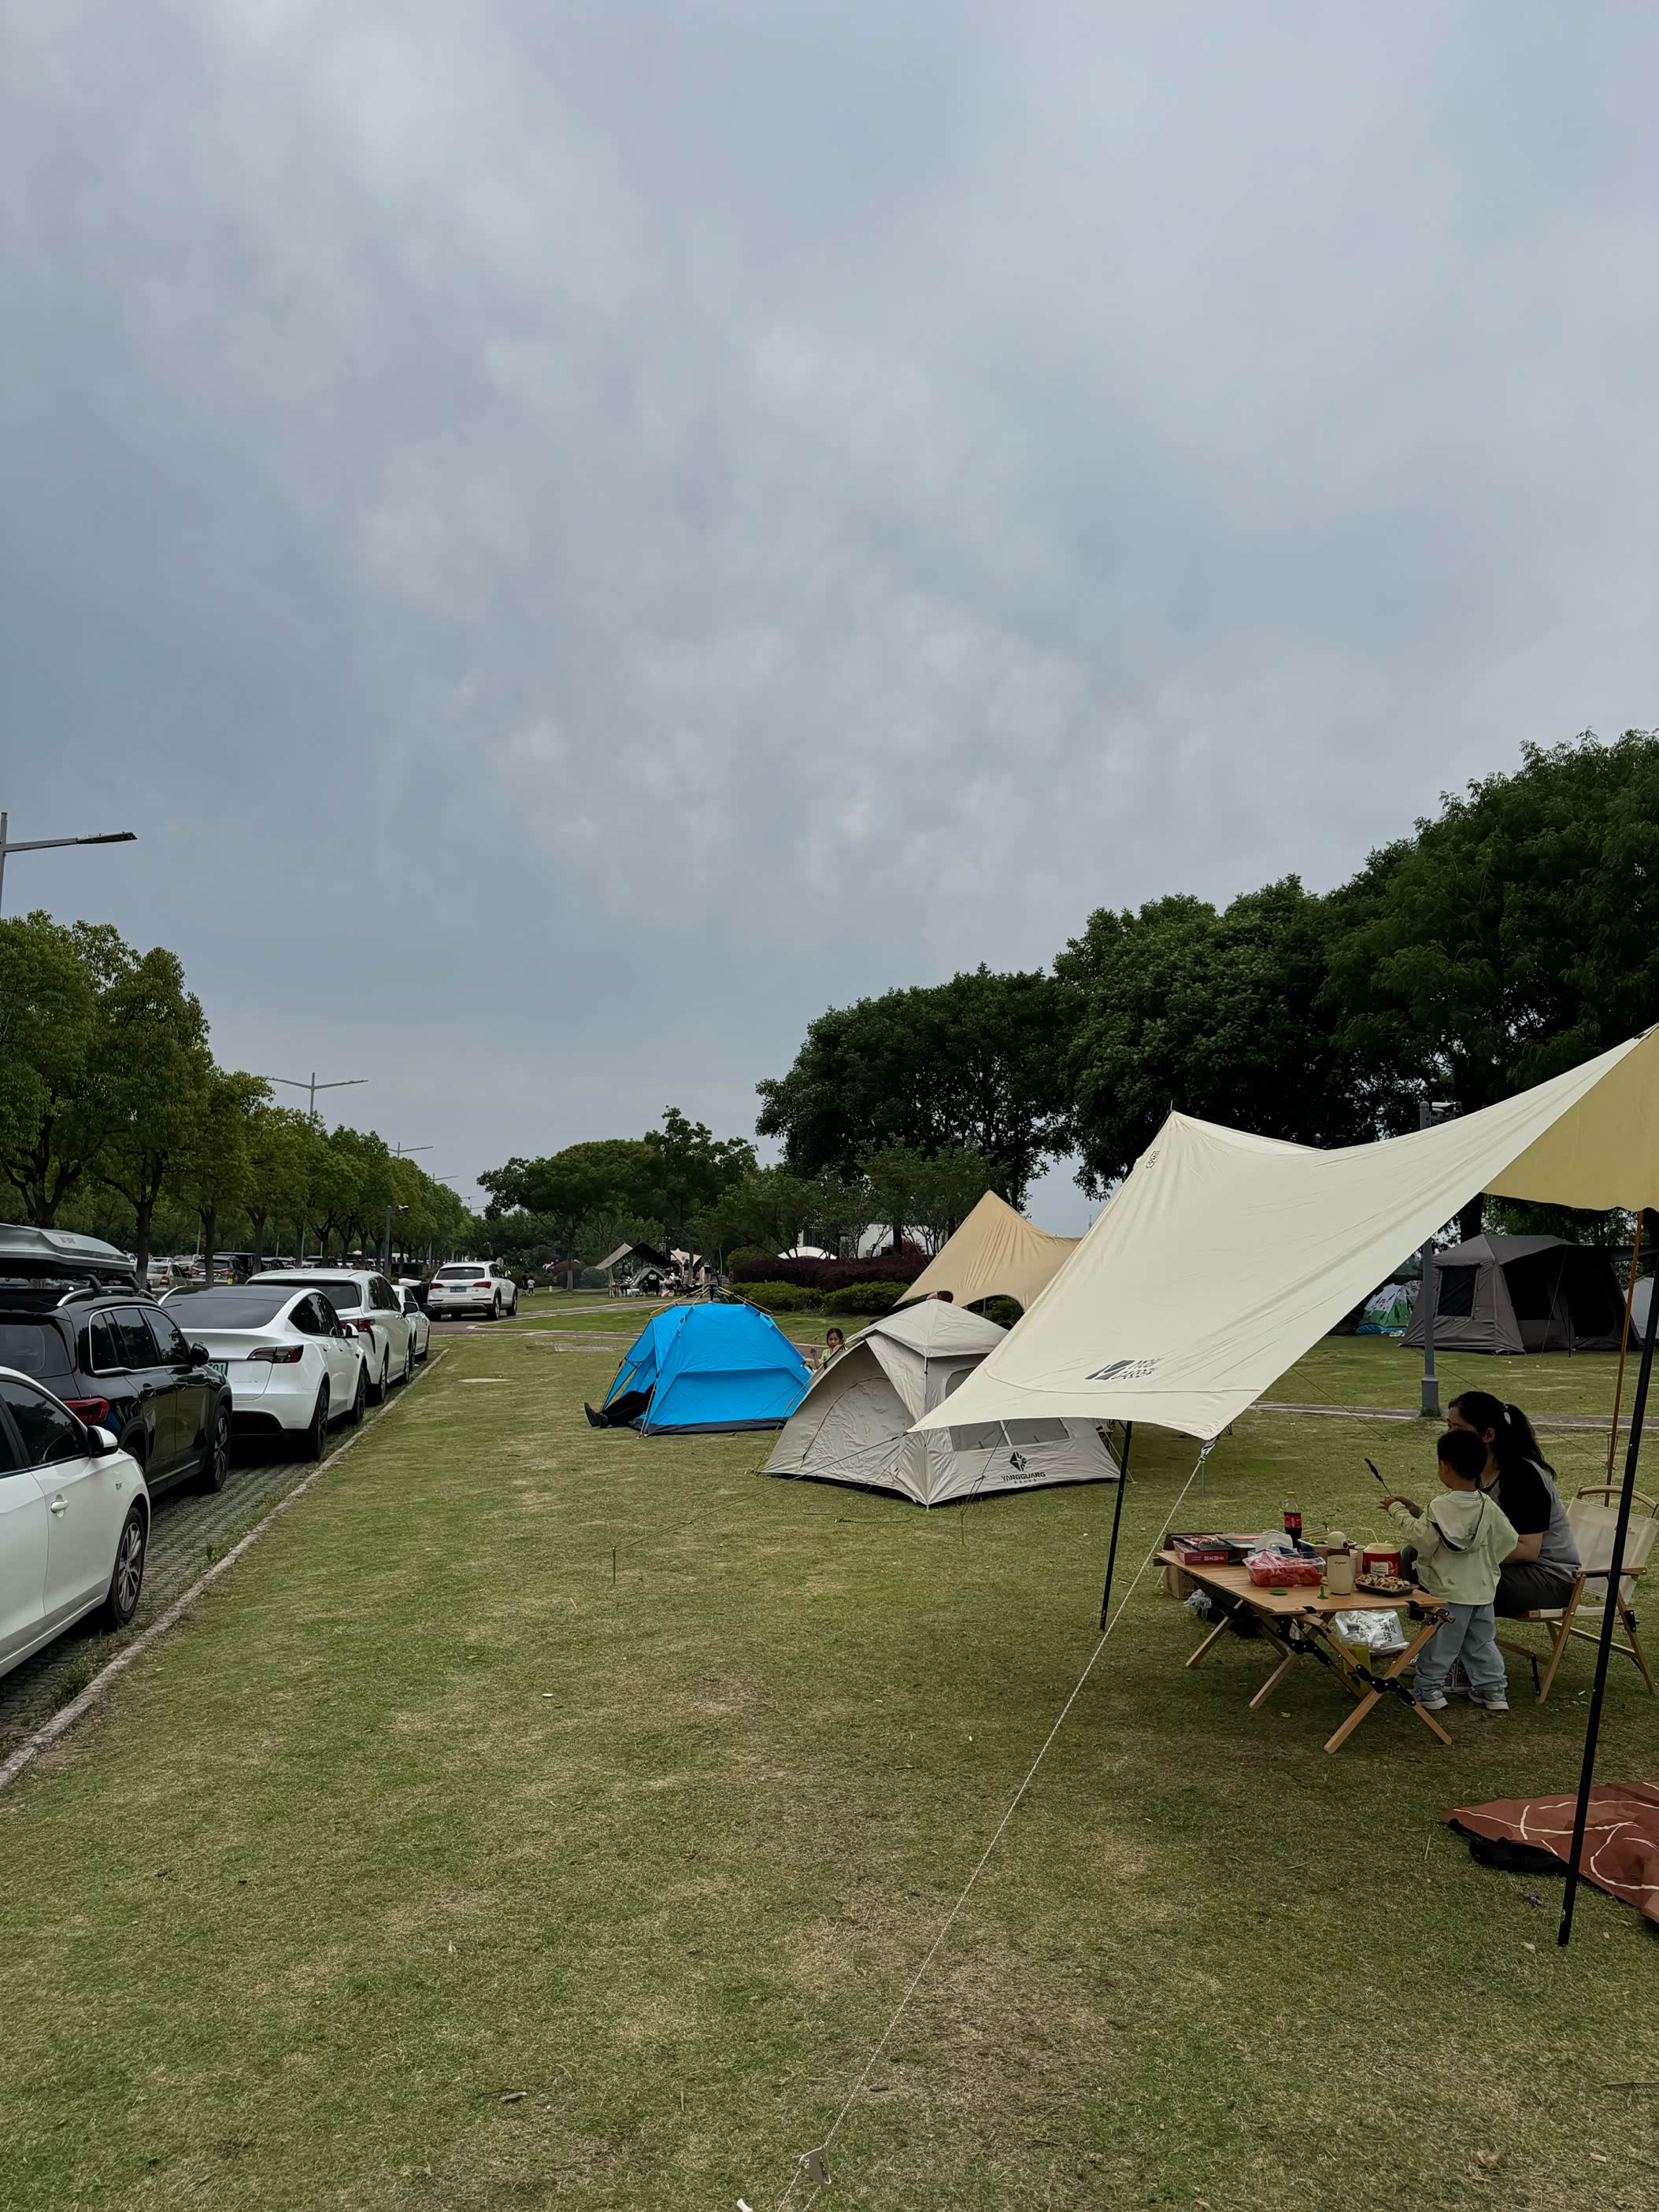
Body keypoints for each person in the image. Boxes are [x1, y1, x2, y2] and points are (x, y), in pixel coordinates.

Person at [1382, 1428, 1518, 1714]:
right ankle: (1493, 1691)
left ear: (1444, 1466)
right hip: (1482, 1591)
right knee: (1482, 1643)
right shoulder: (1487, 1505)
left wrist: (1397, 1510)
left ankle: (1429, 1691)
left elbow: (1423, 1540)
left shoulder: (1440, 1506)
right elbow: (1509, 1539)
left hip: (1448, 1593)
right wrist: (1485, 1563)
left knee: (1439, 1643)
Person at [1447, 1390, 1582, 1616]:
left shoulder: (1522, 1475)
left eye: (1458, 1429)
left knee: (1456, 1578)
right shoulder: (1474, 1470)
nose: (1450, 1436)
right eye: (1448, 1426)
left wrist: (1466, 1553)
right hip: (1509, 1568)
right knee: (1417, 1557)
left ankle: (1451, 1637)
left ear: (1488, 1435)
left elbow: (1527, 1550)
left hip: (1548, 1578)